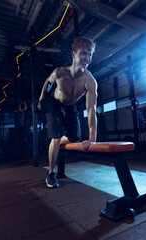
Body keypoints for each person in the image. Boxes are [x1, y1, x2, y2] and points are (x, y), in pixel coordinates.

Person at [39, 37, 98, 188]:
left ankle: (56, 139)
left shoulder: (90, 81)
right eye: (84, 53)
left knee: (74, 140)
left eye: (90, 54)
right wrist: (41, 98)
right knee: (56, 137)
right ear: (73, 55)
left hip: (70, 105)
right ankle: (51, 173)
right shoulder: (59, 73)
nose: (87, 58)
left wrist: (92, 139)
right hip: (54, 104)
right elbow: (47, 81)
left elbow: (91, 110)